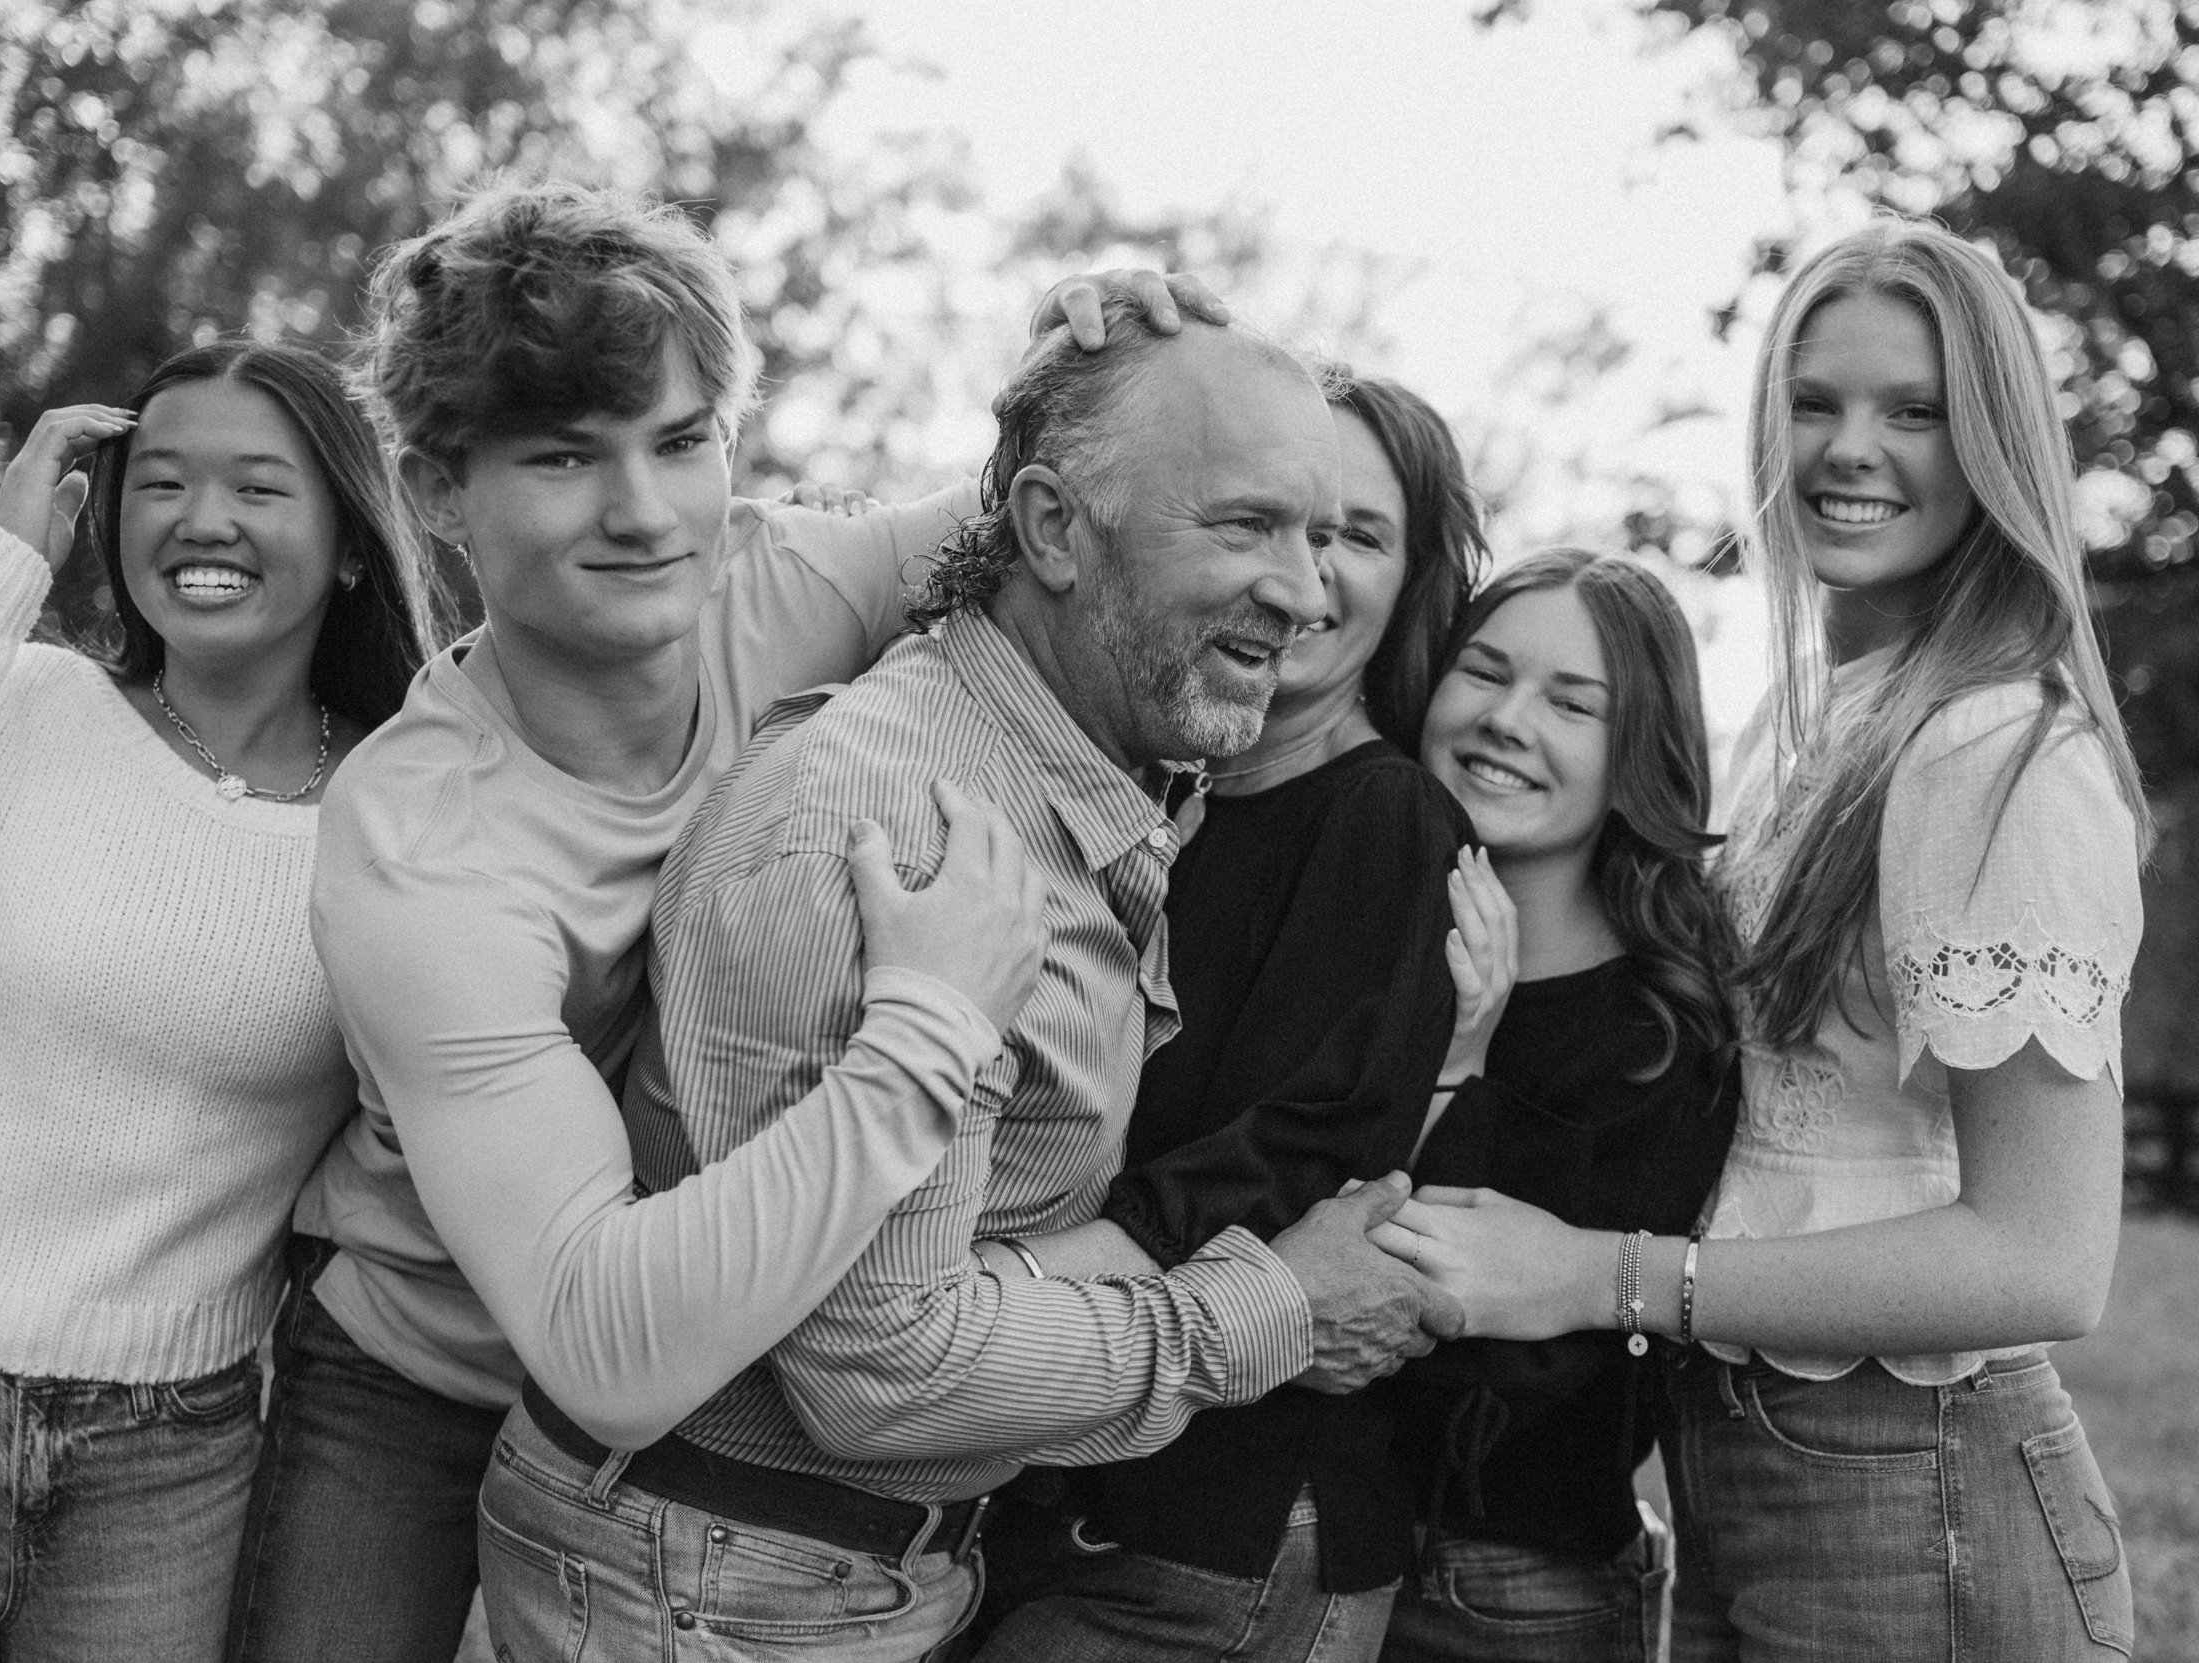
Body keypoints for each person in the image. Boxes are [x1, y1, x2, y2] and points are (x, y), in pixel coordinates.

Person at [228, 184, 1183, 1662]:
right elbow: (601, 1345)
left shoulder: (776, 578)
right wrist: (929, 1028)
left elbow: (1044, 511)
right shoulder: (422, 846)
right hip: (430, 1362)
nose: (644, 512)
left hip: (718, 1401)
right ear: (433, 490)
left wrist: (1090, 355)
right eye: (564, 457)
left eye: (680, 441)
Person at [478, 296, 1463, 1661]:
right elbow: (880, 1375)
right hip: (719, 1583)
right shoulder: (904, 837)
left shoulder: (1076, 779)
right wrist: (1273, 1308)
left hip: (839, 1565)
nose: (1302, 592)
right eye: (1247, 525)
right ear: (1054, 529)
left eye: (1320, 535)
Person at [1372, 218, 2149, 1660]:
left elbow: (2047, 1257)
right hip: (1744, 1455)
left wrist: (1600, 1272)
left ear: (1994, 440)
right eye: (1813, 401)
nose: (1850, 448)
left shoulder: (1996, 747)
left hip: (1917, 1475)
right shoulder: (1818, 722)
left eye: (1915, 410)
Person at [0, 338, 443, 1656]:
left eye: (258, 487)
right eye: (160, 481)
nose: (202, 519)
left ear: (349, 542)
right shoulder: (16, 704)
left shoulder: (409, 811)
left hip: (166, 1469)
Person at [965, 366, 1487, 1663]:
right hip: (1077, 1482)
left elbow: (1299, 1151)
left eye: (1357, 534)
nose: (1307, 573)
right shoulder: (1153, 799)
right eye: (1273, 520)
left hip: (1226, 1536)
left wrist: (1001, 1295)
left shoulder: (1384, 816)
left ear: (1411, 586)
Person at [1379, 550, 1739, 1663]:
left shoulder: (1661, 1032)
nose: (1506, 719)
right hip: (1302, 1547)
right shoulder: (1361, 942)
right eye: (1484, 672)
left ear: (1635, 758)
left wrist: (1465, 1059)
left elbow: (1467, 1334)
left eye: (1572, 704)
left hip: (1507, 1585)